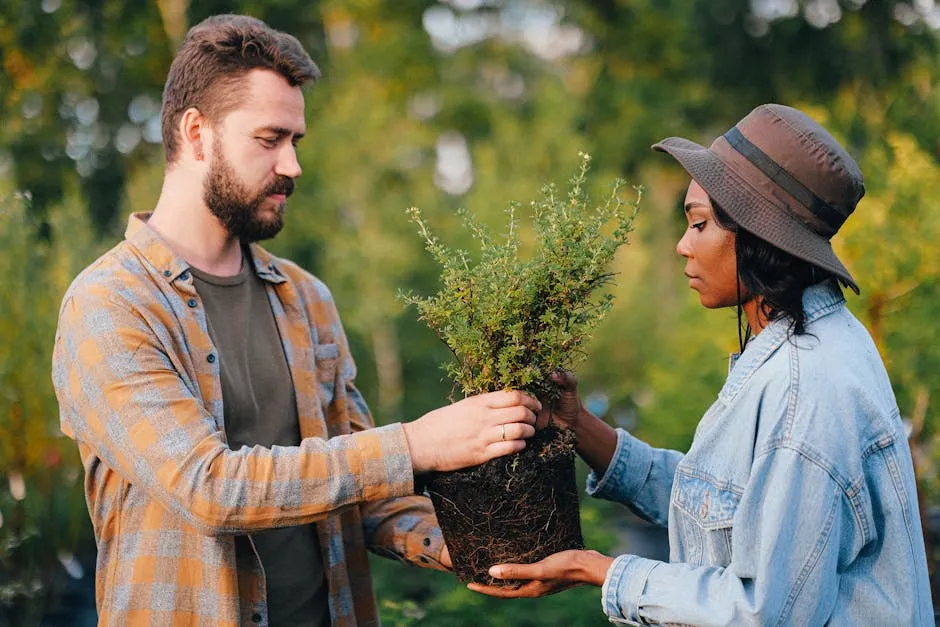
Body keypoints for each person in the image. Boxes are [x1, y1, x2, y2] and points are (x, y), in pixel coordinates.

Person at [51, 14, 541, 627]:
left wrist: (468, 551)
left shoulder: (305, 299)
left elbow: (367, 494)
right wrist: (416, 443)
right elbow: (209, 488)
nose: (292, 165)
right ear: (197, 134)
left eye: (296, 141)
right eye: (269, 139)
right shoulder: (110, 305)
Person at [470, 104, 934, 625]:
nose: (682, 245)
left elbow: (766, 611)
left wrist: (598, 569)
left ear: (761, 239)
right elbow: (731, 512)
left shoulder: (807, 390)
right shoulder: (808, 340)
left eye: (699, 224)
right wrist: (578, 427)